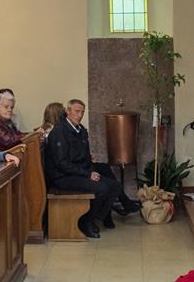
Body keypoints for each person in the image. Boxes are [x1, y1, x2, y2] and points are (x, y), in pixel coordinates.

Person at [44, 99, 138, 238]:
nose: (80, 115)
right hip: (63, 177)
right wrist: (88, 174)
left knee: (115, 186)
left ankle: (93, 218)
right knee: (102, 189)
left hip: (77, 172)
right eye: (77, 111)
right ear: (68, 112)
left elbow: (82, 155)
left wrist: (90, 168)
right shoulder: (59, 132)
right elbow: (62, 164)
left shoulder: (80, 129)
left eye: (82, 112)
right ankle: (86, 222)